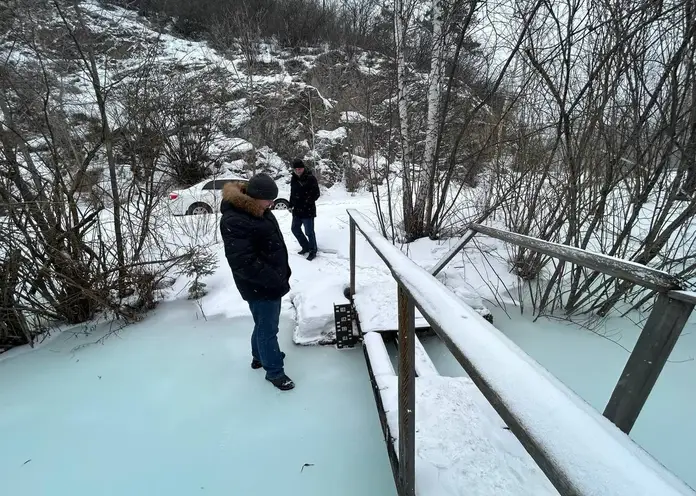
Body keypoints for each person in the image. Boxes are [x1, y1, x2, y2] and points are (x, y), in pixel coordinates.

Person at [219, 174, 295, 391]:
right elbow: (243, 262)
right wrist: (272, 278)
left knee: (263, 323)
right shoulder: (235, 219)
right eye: (269, 199)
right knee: (268, 328)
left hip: (270, 279)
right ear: (255, 197)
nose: (272, 204)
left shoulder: (259, 210)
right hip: (260, 284)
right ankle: (274, 372)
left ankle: (259, 356)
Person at [289, 159, 321, 261]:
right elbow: (292, 193)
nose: (298, 171)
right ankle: (305, 246)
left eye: (300, 168)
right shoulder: (293, 179)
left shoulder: (311, 178)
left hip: (308, 210)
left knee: (309, 232)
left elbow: (316, 194)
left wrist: (307, 201)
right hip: (297, 210)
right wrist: (290, 204)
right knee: (295, 229)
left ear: (303, 168)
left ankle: (313, 250)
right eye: (296, 169)